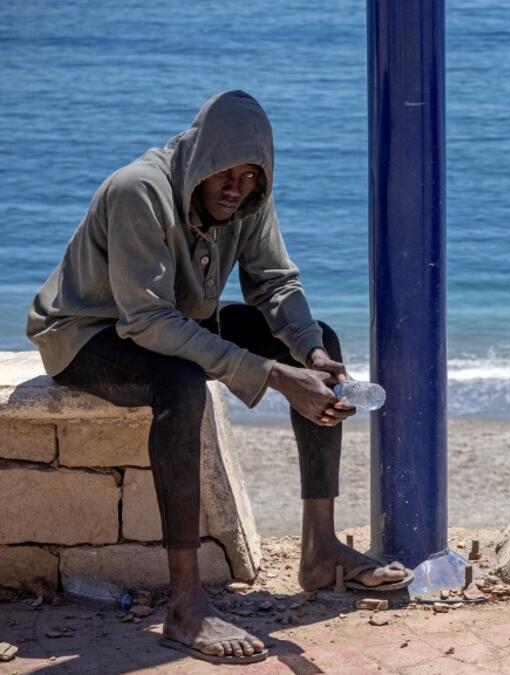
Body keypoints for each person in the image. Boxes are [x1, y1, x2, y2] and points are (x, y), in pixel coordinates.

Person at [27, 91, 410, 665]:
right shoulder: (140, 191)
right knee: (180, 385)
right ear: (199, 160)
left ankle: (321, 549)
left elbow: (275, 283)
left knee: (318, 342)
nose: (236, 187)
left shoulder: (251, 200)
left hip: (171, 321)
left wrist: (305, 352)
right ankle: (186, 603)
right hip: (87, 333)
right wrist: (272, 376)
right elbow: (146, 321)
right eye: (224, 174)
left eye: (250, 175)